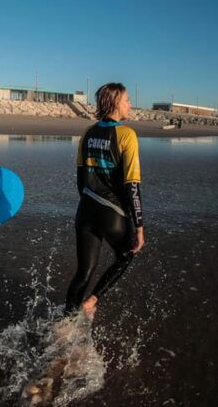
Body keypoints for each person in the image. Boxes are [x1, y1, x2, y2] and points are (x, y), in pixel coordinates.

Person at [66, 82, 145, 315]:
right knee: (128, 253)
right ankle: (92, 301)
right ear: (115, 103)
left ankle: (65, 323)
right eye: (127, 99)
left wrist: (90, 205)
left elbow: (81, 181)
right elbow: (132, 186)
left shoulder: (88, 133)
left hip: (86, 211)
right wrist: (139, 226)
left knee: (83, 272)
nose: (130, 104)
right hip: (112, 213)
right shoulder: (126, 135)